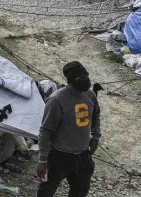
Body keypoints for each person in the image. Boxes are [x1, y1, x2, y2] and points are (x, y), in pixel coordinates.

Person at [37, 62, 101, 197]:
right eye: (81, 78)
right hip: (59, 157)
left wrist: (95, 136)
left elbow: (96, 116)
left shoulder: (90, 95)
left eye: (86, 76)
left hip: (83, 156)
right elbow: (45, 131)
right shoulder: (57, 100)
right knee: (46, 191)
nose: (85, 80)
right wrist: (43, 160)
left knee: (80, 191)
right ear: (70, 81)